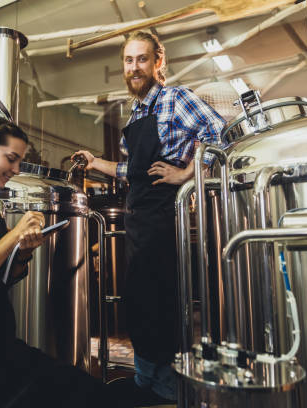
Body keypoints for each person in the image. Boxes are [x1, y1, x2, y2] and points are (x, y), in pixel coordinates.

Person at [0, 117, 122, 408]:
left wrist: (24, 251)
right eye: (11, 159)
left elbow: (4, 278)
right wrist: (13, 235)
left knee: (85, 390)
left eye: (19, 161)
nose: (16, 170)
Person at [73, 31, 225, 405]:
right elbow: (133, 170)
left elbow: (220, 134)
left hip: (164, 212)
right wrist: (96, 163)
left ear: (159, 62)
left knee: (161, 300)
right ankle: (147, 380)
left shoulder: (176, 98)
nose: (134, 67)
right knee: (140, 299)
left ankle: (167, 385)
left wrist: (187, 172)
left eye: (142, 59)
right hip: (138, 212)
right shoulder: (138, 110)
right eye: (128, 60)